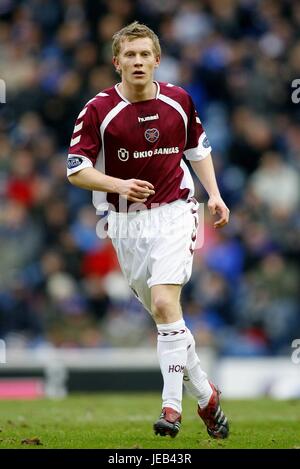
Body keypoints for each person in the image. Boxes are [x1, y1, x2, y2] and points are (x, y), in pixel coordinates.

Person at [67, 21, 230, 440]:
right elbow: (76, 170)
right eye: (130, 55)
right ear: (116, 62)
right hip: (124, 223)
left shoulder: (179, 100)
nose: (138, 62)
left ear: (157, 60)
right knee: (167, 319)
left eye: (145, 55)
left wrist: (214, 194)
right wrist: (117, 184)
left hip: (175, 211)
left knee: (163, 304)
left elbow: (199, 151)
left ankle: (171, 407)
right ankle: (207, 397)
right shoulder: (99, 110)